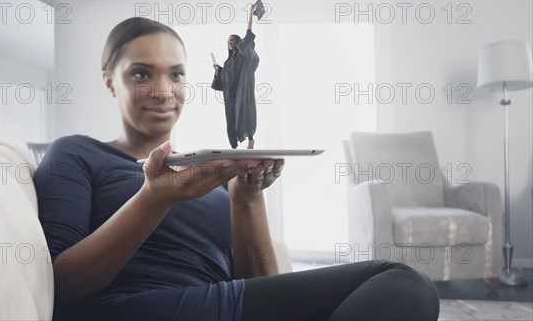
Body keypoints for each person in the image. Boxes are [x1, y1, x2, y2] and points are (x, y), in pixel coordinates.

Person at [34, 16, 440, 321]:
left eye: (176, 74)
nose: (163, 90)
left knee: (404, 292)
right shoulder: (76, 154)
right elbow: (63, 286)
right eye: (141, 73)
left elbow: (263, 289)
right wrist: (153, 198)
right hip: (127, 308)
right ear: (109, 81)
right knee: (401, 280)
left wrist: (247, 199)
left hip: (218, 305)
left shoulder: (208, 176)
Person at [212, 3, 260, 149]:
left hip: (242, 90)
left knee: (244, 112)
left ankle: (251, 140)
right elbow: (222, 81)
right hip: (231, 94)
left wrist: (251, 13)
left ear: (237, 42)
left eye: (231, 40)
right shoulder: (227, 62)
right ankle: (234, 147)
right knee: (231, 118)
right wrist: (218, 70)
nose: (229, 43)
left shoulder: (243, 54)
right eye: (227, 42)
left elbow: (248, 35)